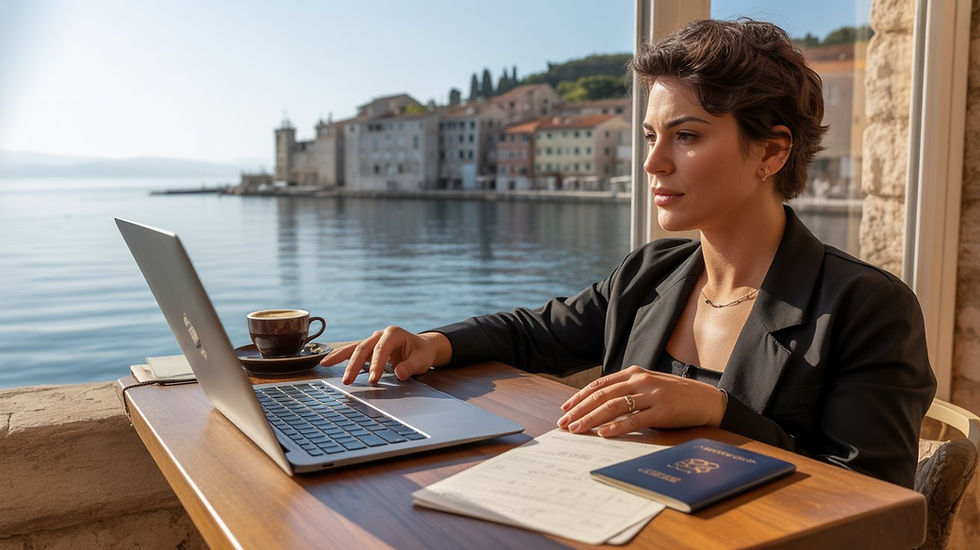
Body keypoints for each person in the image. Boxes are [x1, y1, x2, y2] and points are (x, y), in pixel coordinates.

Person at [321, 18, 936, 488]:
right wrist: (433, 344)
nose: (652, 163)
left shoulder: (867, 308)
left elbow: (870, 501)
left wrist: (722, 413)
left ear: (772, 152)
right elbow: (537, 333)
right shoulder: (652, 273)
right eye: (650, 136)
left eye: (686, 136)